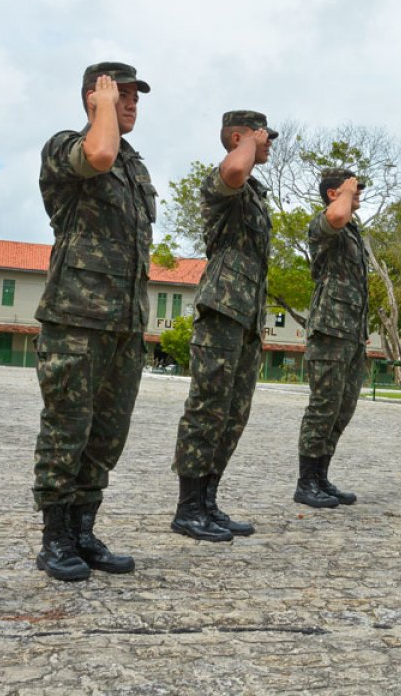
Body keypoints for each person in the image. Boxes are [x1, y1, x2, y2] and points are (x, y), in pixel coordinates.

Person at [31, 62, 156, 581]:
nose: (130, 103)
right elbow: (99, 154)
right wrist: (101, 109)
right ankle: (55, 538)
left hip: (124, 324)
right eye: (119, 94)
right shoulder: (67, 146)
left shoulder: (135, 167)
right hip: (77, 320)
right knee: (67, 431)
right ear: (93, 97)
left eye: (134, 97)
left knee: (106, 436)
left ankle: (84, 531)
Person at [170, 110, 274, 542]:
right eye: (262, 135)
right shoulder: (224, 180)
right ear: (237, 138)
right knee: (208, 408)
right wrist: (247, 143)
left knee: (233, 413)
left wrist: (252, 142)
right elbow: (234, 170)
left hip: (247, 314)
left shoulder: (254, 192)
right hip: (222, 309)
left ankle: (208, 501)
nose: (269, 142)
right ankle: (188, 508)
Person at [293, 168, 368, 509]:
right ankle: (306, 482)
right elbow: (336, 215)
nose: (358, 193)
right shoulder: (324, 222)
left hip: (352, 331)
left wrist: (347, 193)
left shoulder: (352, 230)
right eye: (352, 188)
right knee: (323, 406)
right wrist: (345, 195)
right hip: (329, 329)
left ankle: (321, 476)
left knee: (343, 407)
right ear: (332, 194)